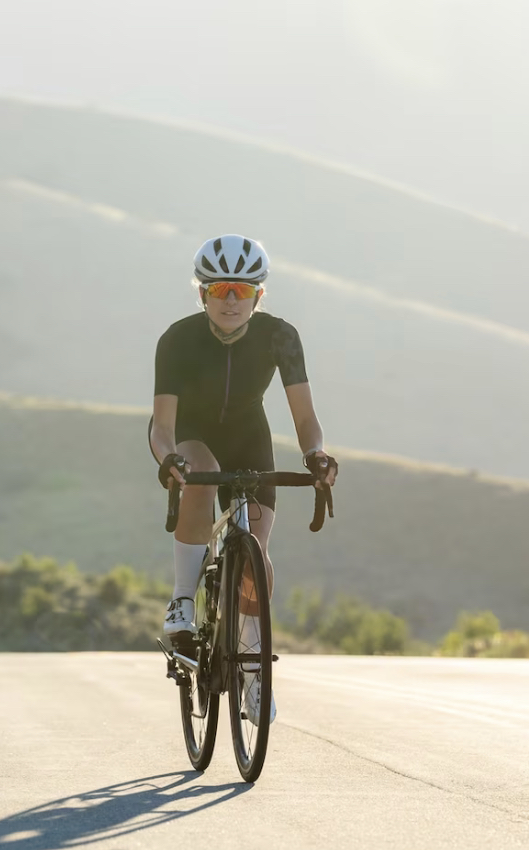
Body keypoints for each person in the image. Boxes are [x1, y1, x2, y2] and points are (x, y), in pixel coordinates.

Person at [149, 235, 338, 725]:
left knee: (256, 542)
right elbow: (163, 425)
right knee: (202, 482)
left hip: (250, 435)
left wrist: (316, 455)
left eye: (241, 290)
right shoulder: (178, 339)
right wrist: (169, 458)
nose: (231, 301)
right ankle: (183, 601)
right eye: (219, 290)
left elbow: (305, 420)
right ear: (202, 294)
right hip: (192, 436)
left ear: (258, 295)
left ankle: (254, 673)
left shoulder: (280, 336)